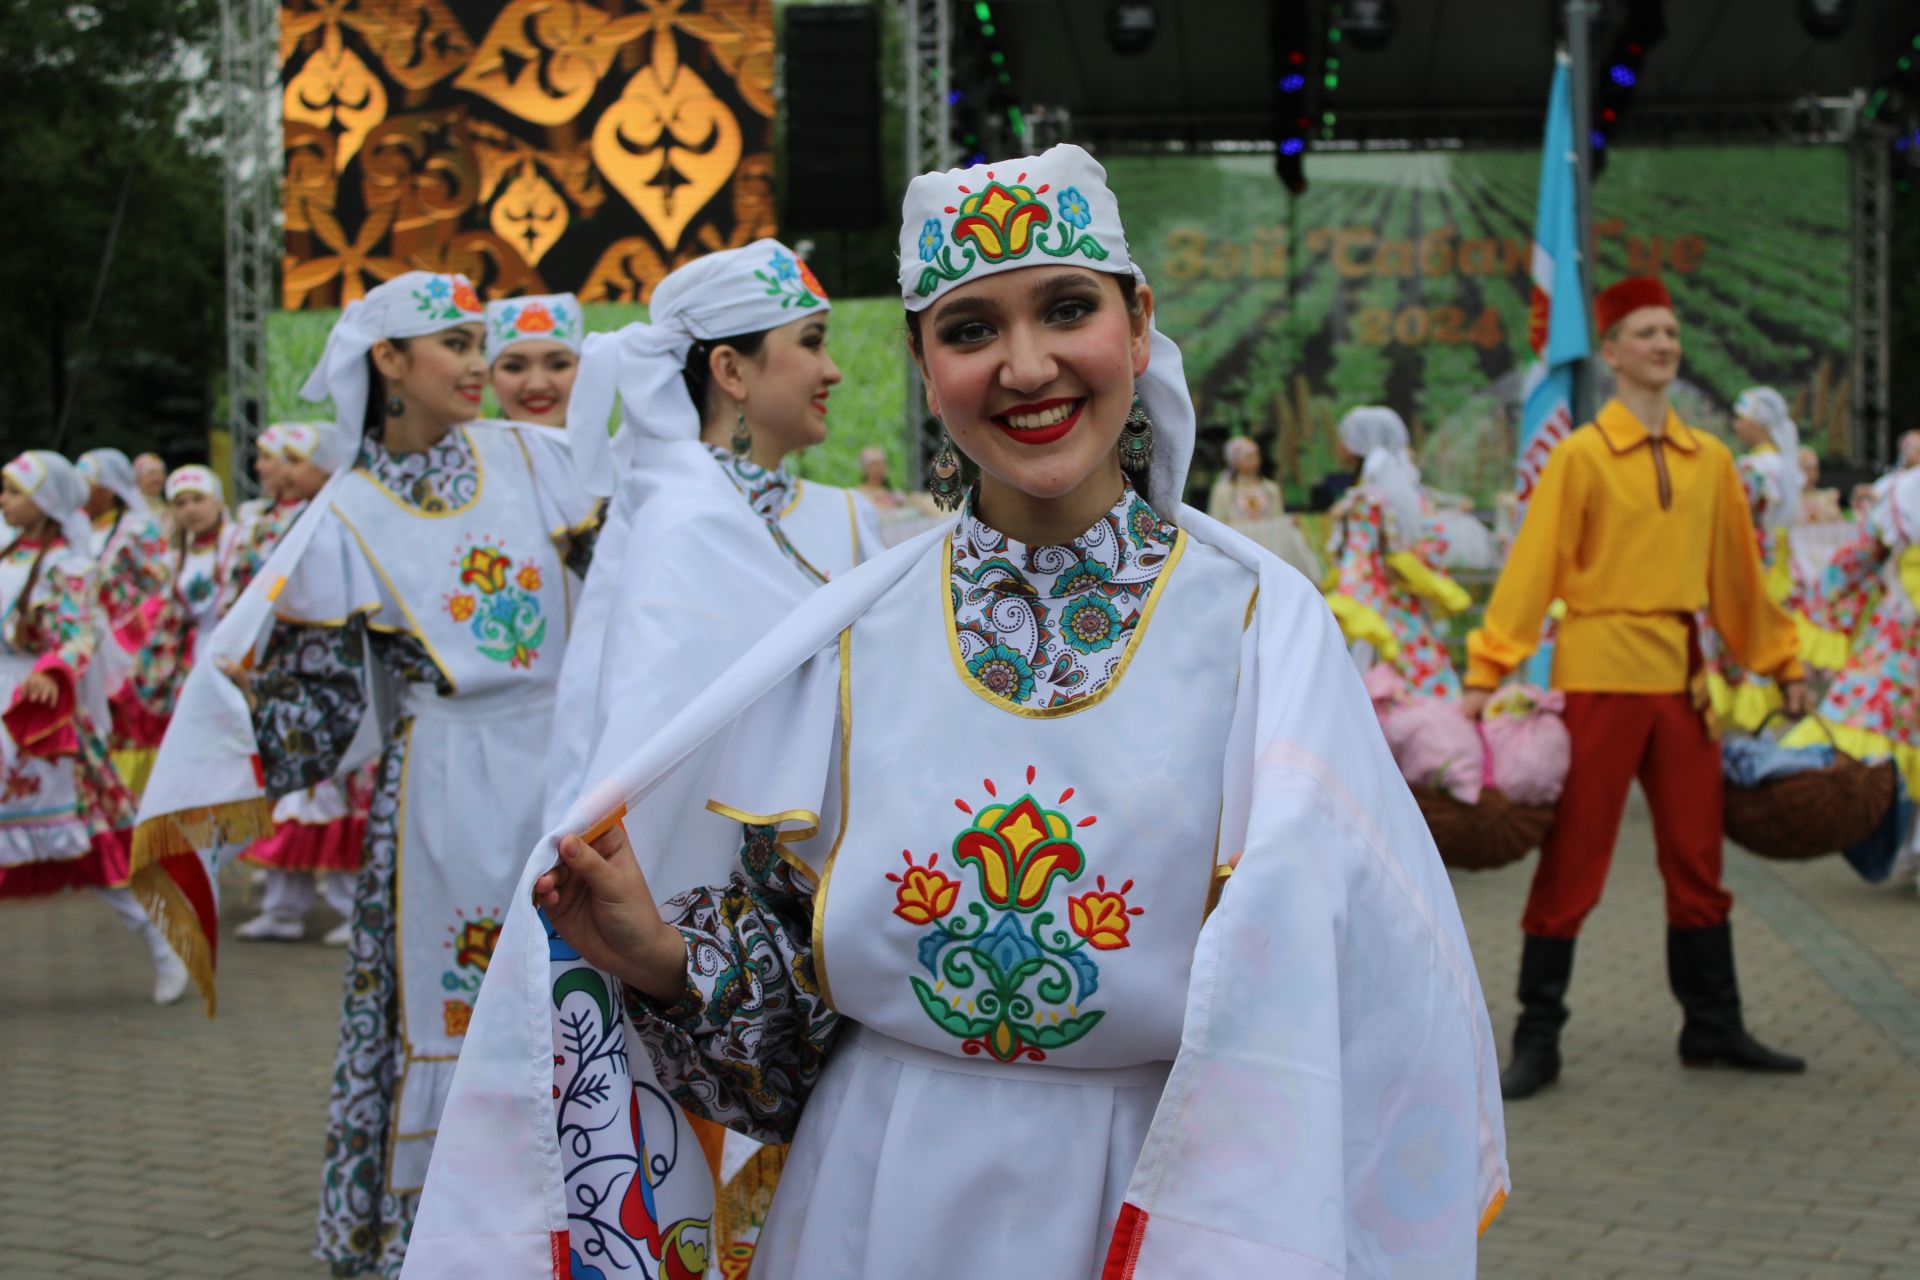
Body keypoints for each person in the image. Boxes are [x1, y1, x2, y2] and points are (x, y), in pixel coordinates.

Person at [411, 145, 1505, 1280]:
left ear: (1138, 325)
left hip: (1170, 1190)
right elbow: (791, 1041)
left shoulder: (1262, 627)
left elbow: (1352, 994)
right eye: (972, 328)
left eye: (1067, 309)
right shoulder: (843, 634)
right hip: (873, 1193)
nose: (1026, 366)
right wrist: (663, 958)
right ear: (928, 367)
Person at [130, 271, 598, 1277]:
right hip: (443, 785)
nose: (481, 364)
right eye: (457, 345)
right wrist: (218, 762)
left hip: (574, 768)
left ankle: (590, 1222)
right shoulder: (347, 511)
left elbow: (642, 569)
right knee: (455, 1001)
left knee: (580, 986)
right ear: (389, 362)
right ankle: (450, 1241)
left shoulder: (537, 457)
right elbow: (304, 686)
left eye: (486, 343)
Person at [1462, 276, 1810, 1101]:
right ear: (1612, 353)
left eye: (1671, 332)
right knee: (1576, 857)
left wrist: (1782, 664)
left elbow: (1739, 581)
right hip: (1600, 673)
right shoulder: (1582, 454)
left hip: (1683, 683)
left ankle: (1712, 1025)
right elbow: (1533, 564)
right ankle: (1537, 1035)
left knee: (1697, 853)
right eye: (1646, 333)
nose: (1664, 344)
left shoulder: (1712, 459)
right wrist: (1487, 669)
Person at [1, 451, 189, 1004]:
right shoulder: (7, 555)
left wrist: (51, 670)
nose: (3, 500)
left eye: (13, 490)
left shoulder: (70, 567)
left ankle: (167, 945)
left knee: (94, 848)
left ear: (46, 501)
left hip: (45, 721)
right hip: (6, 709)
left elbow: (79, 636)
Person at [1782, 472, 1920, 855]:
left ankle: (1901, 837)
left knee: (1883, 722)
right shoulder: (1906, 490)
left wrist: (1828, 594)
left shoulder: (1907, 492)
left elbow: (1857, 557)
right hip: (1905, 635)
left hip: (1904, 638)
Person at [1323, 407, 1469, 698]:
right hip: (1407, 611)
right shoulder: (1409, 491)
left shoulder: (1366, 497)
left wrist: (1343, 606)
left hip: (1375, 613)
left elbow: (1359, 560)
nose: (1339, 445)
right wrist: (1407, 569)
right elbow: (1437, 537)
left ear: (1357, 444)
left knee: (1371, 692)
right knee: (1421, 682)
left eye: (1345, 438)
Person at [1704, 386, 1805, 731]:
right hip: (1774, 559)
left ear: (1757, 424)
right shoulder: (1783, 465)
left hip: (1745, 556)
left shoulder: (1753, 467)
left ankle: (1740, 709)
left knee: (1736, 626)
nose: (1735, 425)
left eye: (1740, 418)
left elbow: (1732, 514)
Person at [75, 446, 171, 793]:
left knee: (127, 720)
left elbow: (159, 585)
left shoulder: (137, 528)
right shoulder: (74, 528)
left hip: (129, 646)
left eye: (86, 483)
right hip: (87, 642)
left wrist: (134, 634)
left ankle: (134, 789)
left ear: (109, 489)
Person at [1207, 434, 1319, 580]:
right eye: (1247, 456)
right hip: (1241, 548)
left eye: (1255, 455)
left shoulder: (1270, 489)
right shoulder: (1224, 491)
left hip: (1271, 546)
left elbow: (1277, 519)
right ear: (1235, 460)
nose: (1254, 459)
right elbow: (1216, 522)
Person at [485, 292, 584, 427]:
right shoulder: (471, 448)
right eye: (514, 367)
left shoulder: (613, 448)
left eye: (558, 365)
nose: (537, 385)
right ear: (490, 378)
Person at [1797, 447, 1842, 524]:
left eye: (1815, 469)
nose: (1812, 475)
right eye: (1806, 469)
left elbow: (1839, 526)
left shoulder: (1828, 497)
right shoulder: (1788, 502)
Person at [133, 451, 173, 535]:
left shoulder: (169, 507)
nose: (157, 478)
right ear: (137, 478)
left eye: (161, 473)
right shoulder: (130, 510)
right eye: (151, 473)